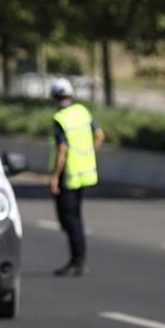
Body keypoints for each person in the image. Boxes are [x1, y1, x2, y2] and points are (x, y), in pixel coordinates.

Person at [48, 78, 104, 277]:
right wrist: (89, 155)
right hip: (84, 172)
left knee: (70, 219)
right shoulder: (82, 111)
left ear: (54, 97)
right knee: (76, 217)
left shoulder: (61, 119)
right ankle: (78, 259)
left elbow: (62, 149)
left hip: (69, 175)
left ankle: (77, 260)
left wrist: (55, 177)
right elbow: (100, 135)